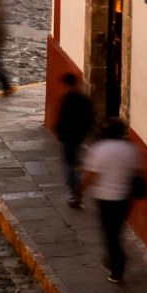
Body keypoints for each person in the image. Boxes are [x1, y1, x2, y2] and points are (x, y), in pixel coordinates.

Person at [81, 118, 141, 283]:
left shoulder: (99, 149)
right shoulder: (130, 149)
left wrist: (80, 191)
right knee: (116, 231)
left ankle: (117, 269)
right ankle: (116, 258)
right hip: (124, 199)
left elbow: (90, 176)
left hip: (105, 199)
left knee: (110, 234)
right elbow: (137, 172)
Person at [54, 72, 96, 207]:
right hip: (79, 136)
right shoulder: (83, 99)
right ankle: (77, 189)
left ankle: (75, 193)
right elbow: (90, 118)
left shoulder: (67, 99)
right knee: (74, 163)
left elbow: (62, 119)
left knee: (69, 165)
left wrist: (58, 131)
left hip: (68, 137)